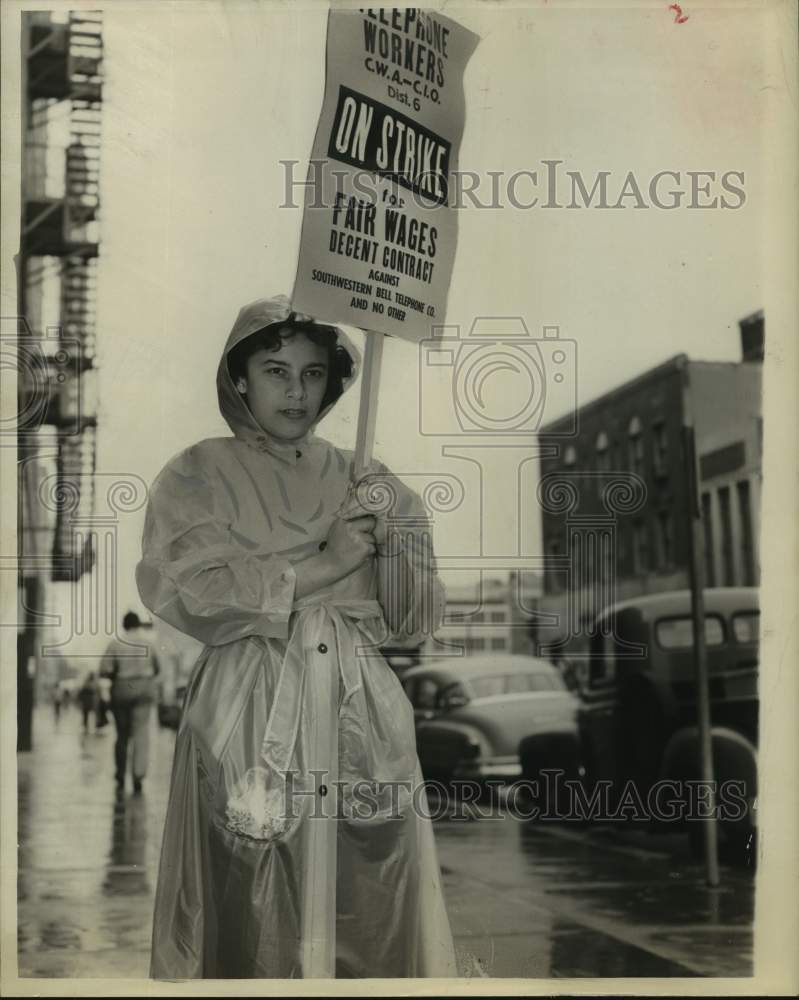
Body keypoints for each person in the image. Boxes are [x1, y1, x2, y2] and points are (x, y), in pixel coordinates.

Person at [136, 296, 456, 979]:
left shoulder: (364, 476)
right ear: (239, 378)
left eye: (313, 374)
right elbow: (195, 594)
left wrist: (394, 535)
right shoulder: (200, 471)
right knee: (252, 889)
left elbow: (414, 616)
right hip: (248, 701)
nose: (295, 390)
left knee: (367, 892)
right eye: (275, 370)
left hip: (357, 703)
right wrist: (327, 563)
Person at [100, 611, 160, 793]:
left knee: (122, 735)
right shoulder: (149, 644)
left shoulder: (115, 643)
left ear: (124, 625)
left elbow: (105, 669)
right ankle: (138, 776)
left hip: (122, 690)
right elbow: (157, 669)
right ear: (138, 625)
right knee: (141, 734)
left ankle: (120, 774)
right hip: (144, 690)